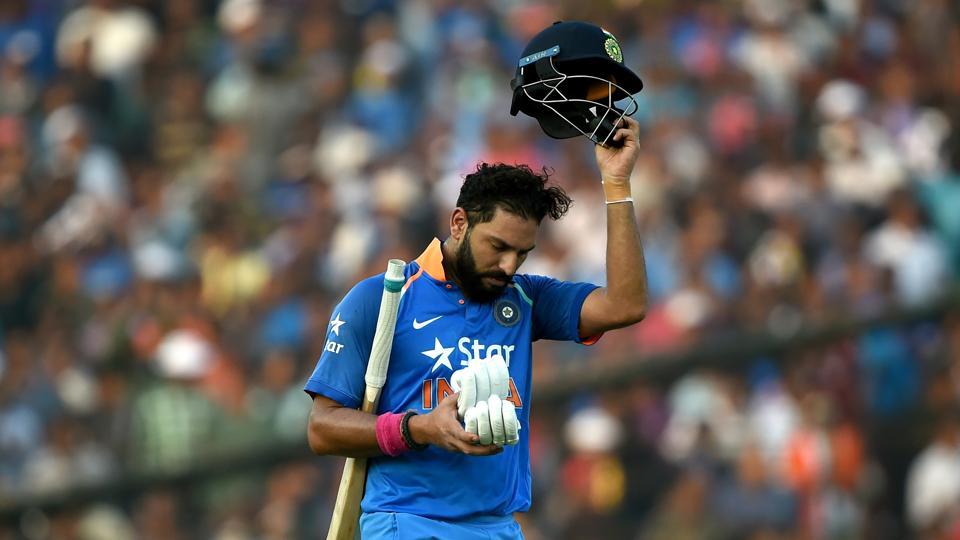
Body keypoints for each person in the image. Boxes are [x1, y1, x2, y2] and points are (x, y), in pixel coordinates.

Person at [305, 22, 648, 540]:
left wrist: (617, 183)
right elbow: (322, 428)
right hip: (408, 522)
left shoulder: (525, 298)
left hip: (498, 526)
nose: (509, 266)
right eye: (498, 247)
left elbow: (625, 305)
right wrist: (421, 428)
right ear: (460, 222)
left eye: (522, 253)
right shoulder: (381, 299)